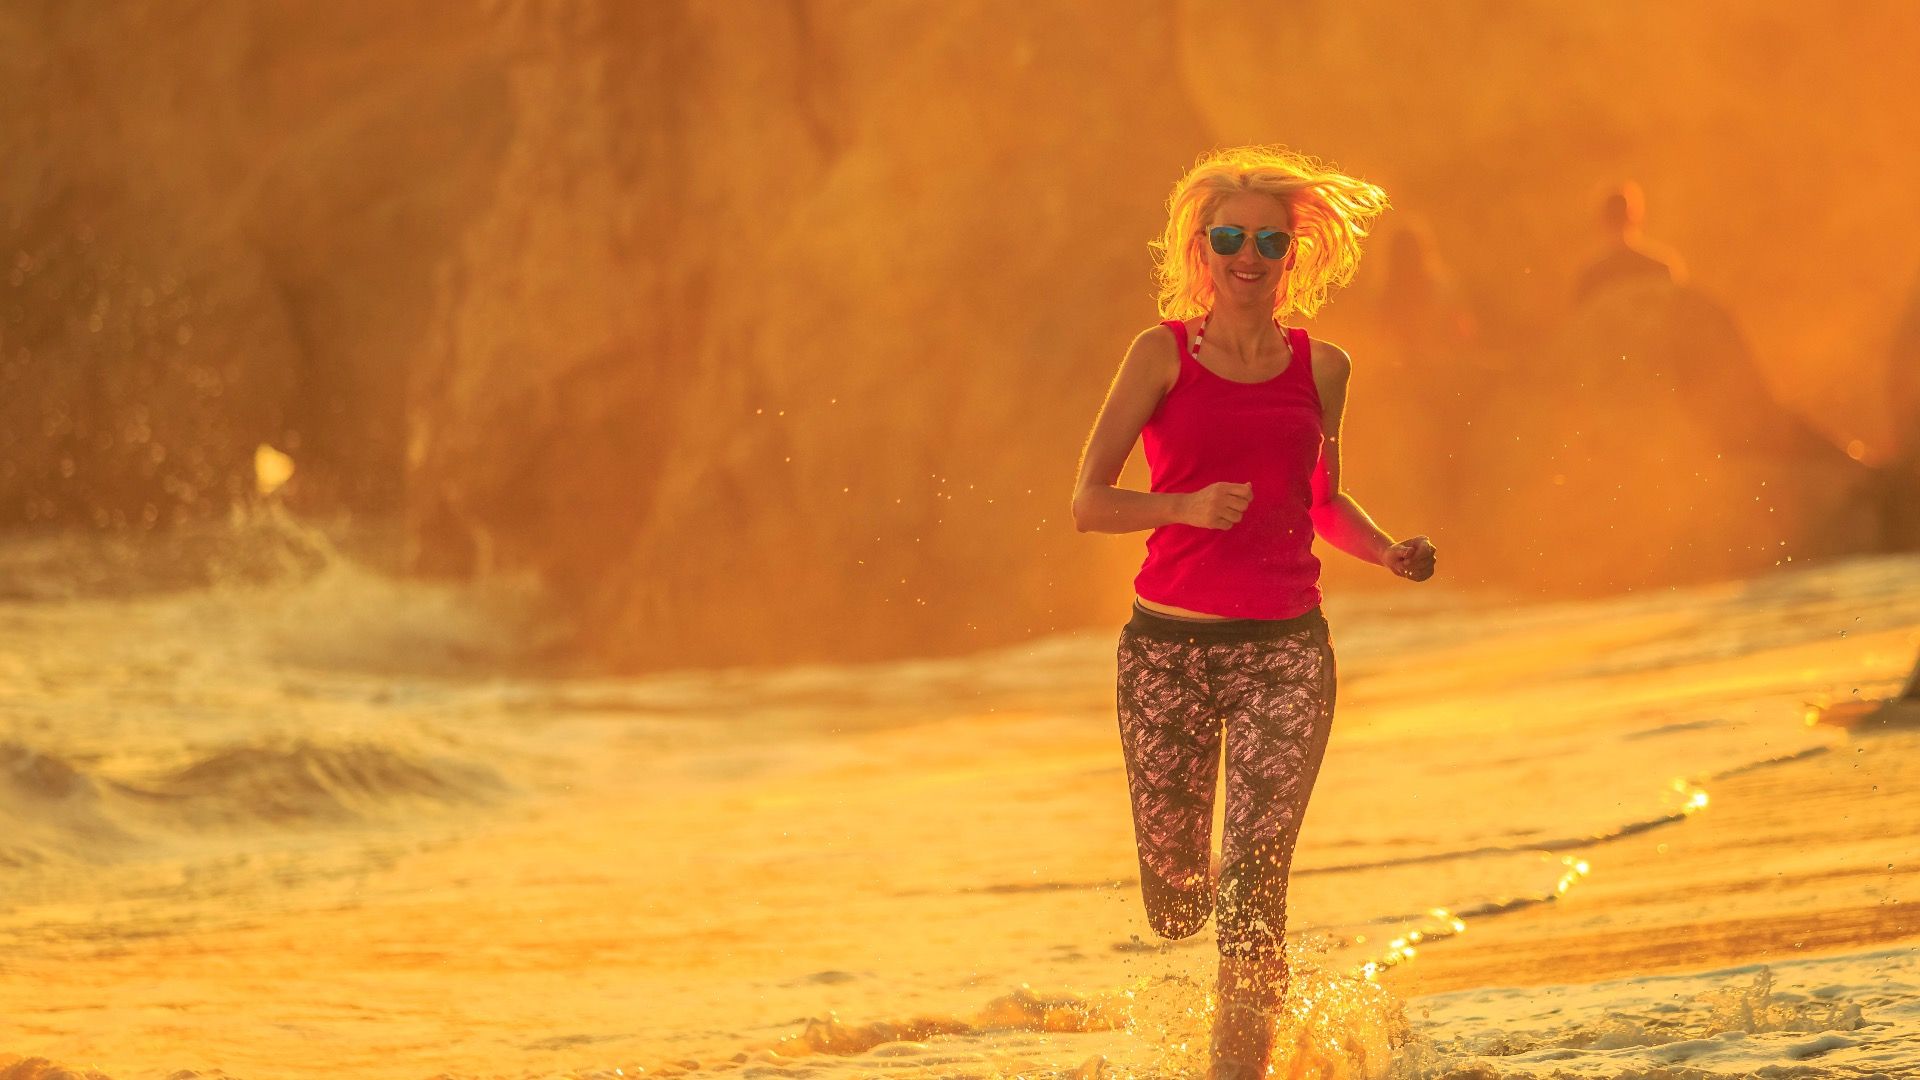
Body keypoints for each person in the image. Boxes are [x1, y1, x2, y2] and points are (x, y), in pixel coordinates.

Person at [1070, 145, 1437, 1079]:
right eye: (1230, 237)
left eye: (1269, 241)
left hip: (1287, 654)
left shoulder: (1324, 368)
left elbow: (1322, 502)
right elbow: (1089, 502)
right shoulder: (1159, 356)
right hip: (1167, 654)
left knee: (1253, 889)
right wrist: (1184, 507)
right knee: (1179, 905)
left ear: (1291, 254)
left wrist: (1386, 551)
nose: (1249, 256)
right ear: (1201, 248)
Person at [1572, 179, 1687, 306]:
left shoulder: (1591, 277)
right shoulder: (1660, 269)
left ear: (1602, 220)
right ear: (1636, 216)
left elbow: (1581, 316)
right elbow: (1676, 311)